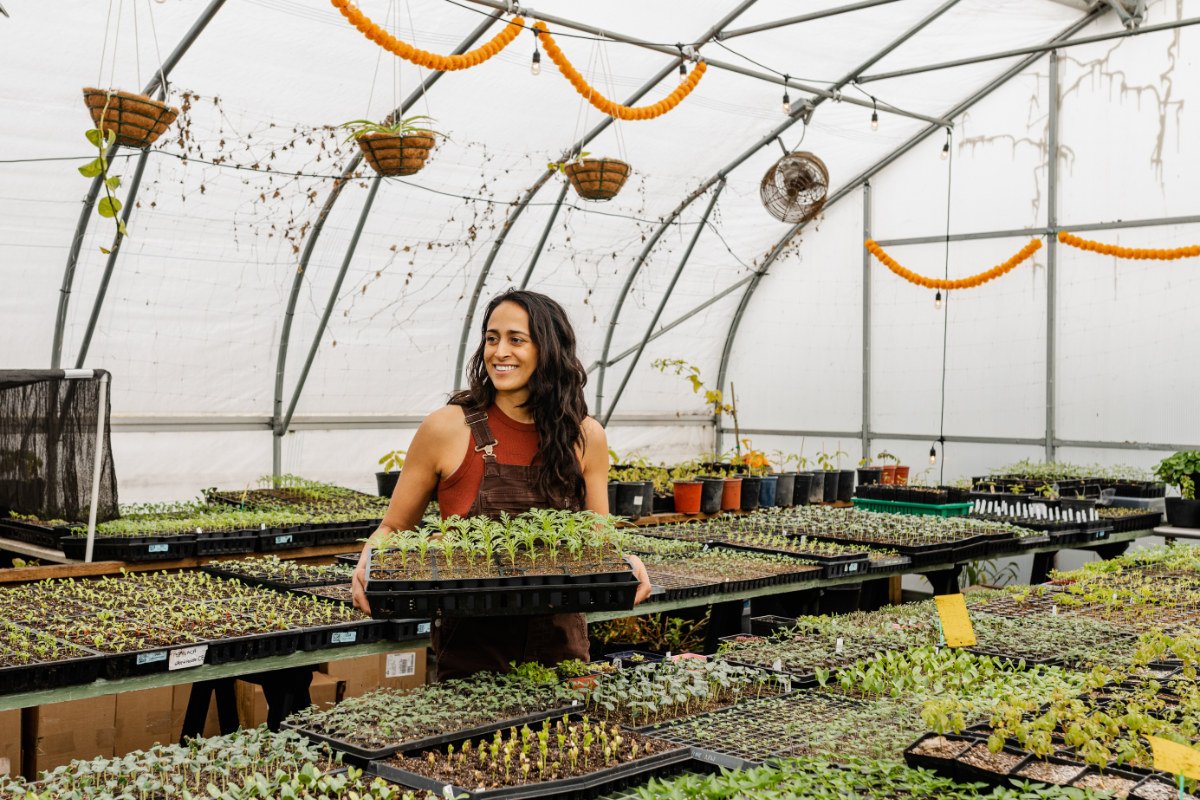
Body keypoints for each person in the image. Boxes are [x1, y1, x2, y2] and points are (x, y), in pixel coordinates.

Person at [351, 289, 653, 680]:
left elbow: (598, 542)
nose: (499, 352)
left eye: (516, 339)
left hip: (561, 649)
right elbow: (395, 527)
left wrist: (625, 563)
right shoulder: (447, 427)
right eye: (492, 339)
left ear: (549, 349)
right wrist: (371, 558)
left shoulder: (584, 436)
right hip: (471, 652)